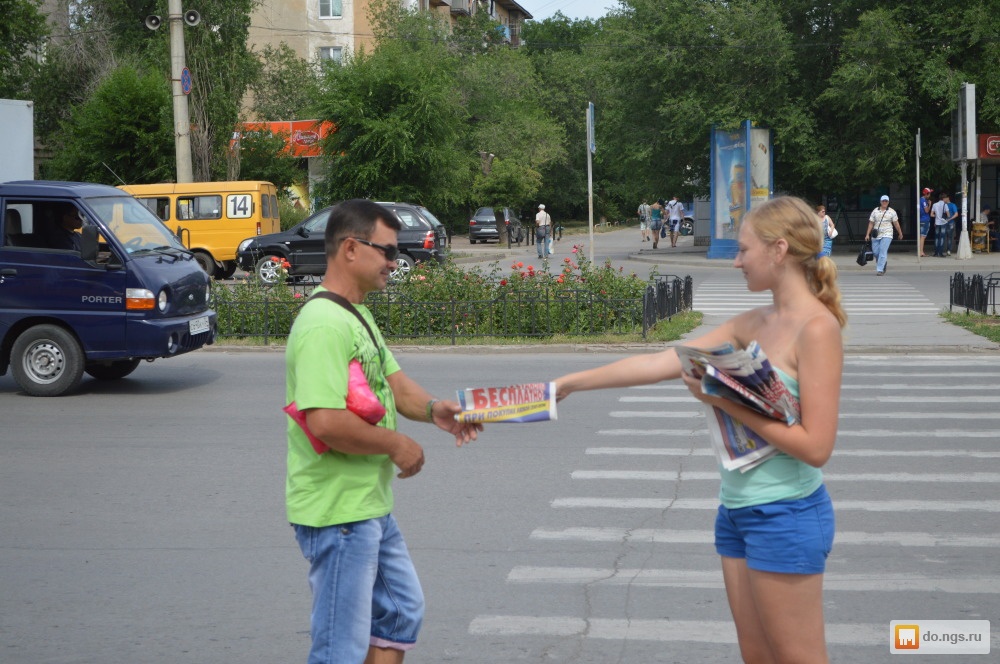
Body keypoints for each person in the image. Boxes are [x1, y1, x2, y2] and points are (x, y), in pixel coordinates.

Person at [553, 196, 845, 664]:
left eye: (744, 250)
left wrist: (722, 399)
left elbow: (816, 447)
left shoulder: (816, 329)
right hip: (737, 513)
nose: (736, 261)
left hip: (786, 514)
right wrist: (568, 384)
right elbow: (659, 362)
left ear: (779, 250)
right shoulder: (754, 323)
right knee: (757, 655)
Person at [284, 199, 482, 664]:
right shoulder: (323, 325)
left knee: (399, 613)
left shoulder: (356, 315)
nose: (395, 262)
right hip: (338, 513)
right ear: (351, 248)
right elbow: (326, 422)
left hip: (366, 506)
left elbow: (393, 385)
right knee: (339, 649)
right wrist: (396, 444)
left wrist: (435, 409)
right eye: (388, 251)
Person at [865, 194, 903, 275]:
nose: (884, 202)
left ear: (888, 202)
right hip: (876, 234)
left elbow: (896, 223)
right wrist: (867, 234)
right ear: (880, 202)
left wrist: (900, 233)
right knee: (875, 252)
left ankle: (880, 270)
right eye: (883, 201)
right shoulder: (875, 211)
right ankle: (883, 263)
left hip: (887, 234)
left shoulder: (892, 212)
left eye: (886, 201)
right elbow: (871, 223)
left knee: (883, 251)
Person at [931, 193, 951, 257]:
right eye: (945, 198)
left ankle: (936, 252)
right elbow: (948, 215)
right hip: (943, 223)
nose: (946, 199)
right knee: (942, 237)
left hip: (937, 223)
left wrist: (937, 216)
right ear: (943, 198)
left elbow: (931, 214)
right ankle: (940, 252)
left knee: (936, 237)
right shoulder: (945, 205)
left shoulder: (934, 204)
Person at [918, 187, 933, 257]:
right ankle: (921, 252)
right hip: (925, 219)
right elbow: (926, 210)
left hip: (921, 219)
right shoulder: (924, 201)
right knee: (923, 236)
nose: (930, 195)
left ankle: (921, 251)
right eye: (929, 193)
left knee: (921, 236)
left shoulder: (920, 200)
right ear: (926, 194)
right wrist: (930, 204)